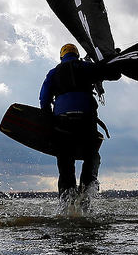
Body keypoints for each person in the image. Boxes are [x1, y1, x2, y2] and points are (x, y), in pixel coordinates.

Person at [40, 43, 120, 198]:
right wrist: (113, 59)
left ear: (61, 56)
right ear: (76, 55)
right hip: (86, 123)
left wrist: (49, 123)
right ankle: (87, 193)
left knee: (65, 165)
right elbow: (113, 74)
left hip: (62, 124)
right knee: (92, 157)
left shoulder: (53, 73)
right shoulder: (87, 67)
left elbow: (44, 100)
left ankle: (67, 205)